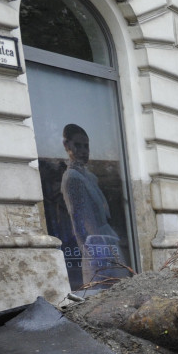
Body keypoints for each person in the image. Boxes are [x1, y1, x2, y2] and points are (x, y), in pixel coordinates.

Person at [60, 123, 126, 287]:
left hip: (106, 240)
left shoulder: (89, 177)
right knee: (104, 289)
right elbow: (81, 220)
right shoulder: (73, 178)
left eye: (86, 146)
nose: (83, 151)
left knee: (122, 288)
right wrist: (95, 253)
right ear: (67, 146)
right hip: (97, 245)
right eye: (78, 145)